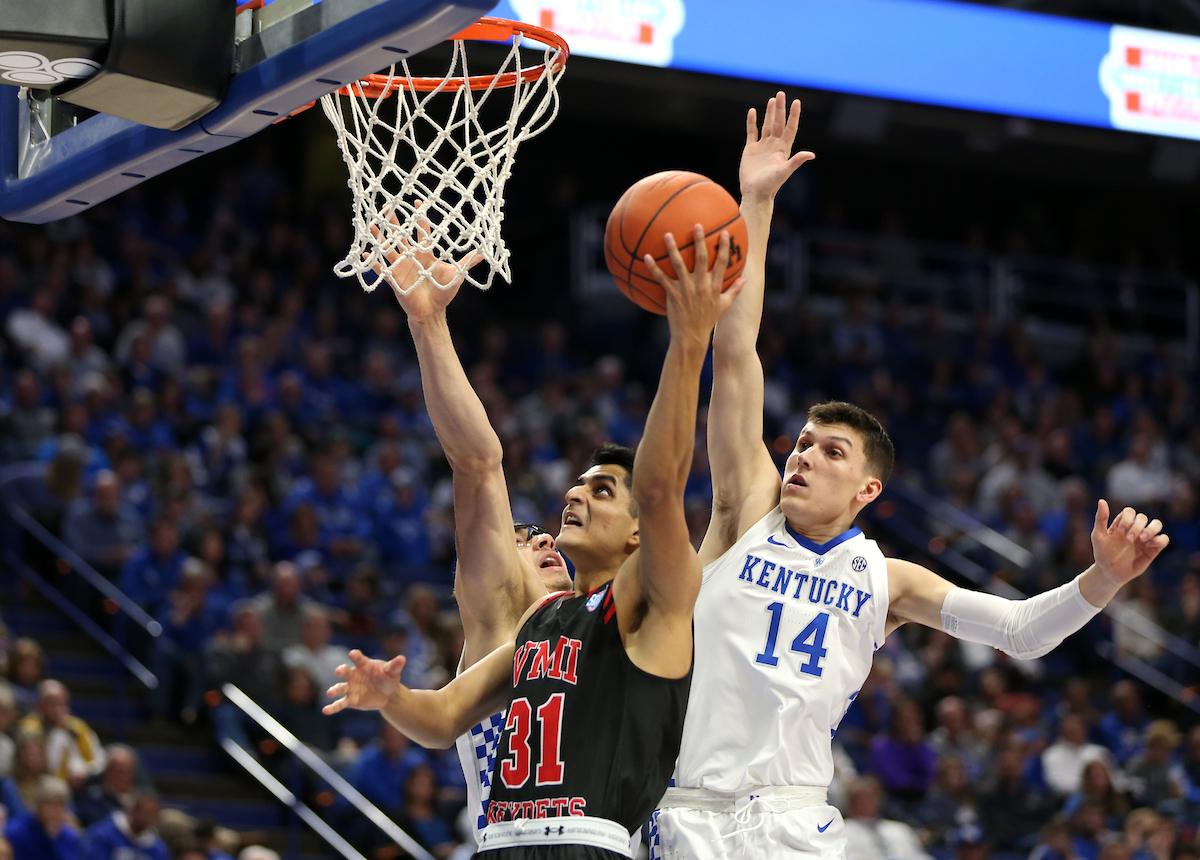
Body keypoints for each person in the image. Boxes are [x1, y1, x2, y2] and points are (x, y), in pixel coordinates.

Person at [650, 92, 1171, 860]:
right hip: (688, 809)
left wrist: (1104, 579)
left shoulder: (886, 580)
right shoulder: (746, 509)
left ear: (869, 491)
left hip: (792, 821)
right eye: (803, 443)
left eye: (832, 452)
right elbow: (736, 353)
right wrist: (754, 204)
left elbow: (1022, 633)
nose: (803, 455)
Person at [326, 220, 745, 857]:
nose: (565, 507)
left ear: (638, 533)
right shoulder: (524, 623)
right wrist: (392, 697)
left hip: (592, 841)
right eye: (530, 535)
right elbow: (477, 463)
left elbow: (661, 489)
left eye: (600, 491)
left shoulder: (648, 599)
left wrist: (690, 341)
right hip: (504, 844)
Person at [379, 220, 573, 845]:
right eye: (525, 538)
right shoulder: (504, 620)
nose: (545, 540)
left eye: (545, 535)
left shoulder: (609, 627)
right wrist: (429, 324)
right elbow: (478, 462)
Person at [4, 775, 80, 860]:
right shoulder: (16, 831)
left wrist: (54, 838)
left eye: (60, 805)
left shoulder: (69, 836)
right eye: (49, 803)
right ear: (38, 805)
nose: (54, 810)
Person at [81, 791, 170, 860]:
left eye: (153, 815)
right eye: (146, 813)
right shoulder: (102, 835)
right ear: (134, 810)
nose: (149, 819)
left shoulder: (157, 847)